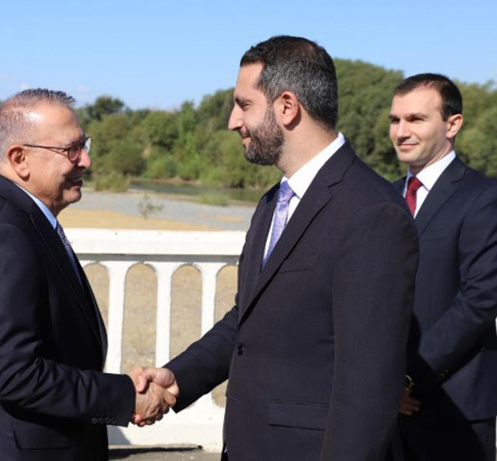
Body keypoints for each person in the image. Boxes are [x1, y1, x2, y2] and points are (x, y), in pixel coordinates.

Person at [133, 35, 419, 460]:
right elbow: (247, 321)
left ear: (287, 106)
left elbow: (368, 388)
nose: (233, 121)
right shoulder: (272, 203)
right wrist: (178, 378)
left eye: (244, 105)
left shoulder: (372, 213)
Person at [0, 88, 176, 461]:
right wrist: (124, 395)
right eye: (71, 149)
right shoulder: (6, 237)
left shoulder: (25, 223)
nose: (86, 160)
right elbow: (15, 374)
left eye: (85, 145)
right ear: (20, 159)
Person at [387, 73, 497, 461]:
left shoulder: (483, 197)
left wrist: (408, 378)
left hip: (454, 412)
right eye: (395, 120)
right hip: (383, 414)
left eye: (415, 119)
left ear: (453, 124)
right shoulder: (381, 198)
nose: (401, 131)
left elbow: (480, 302)